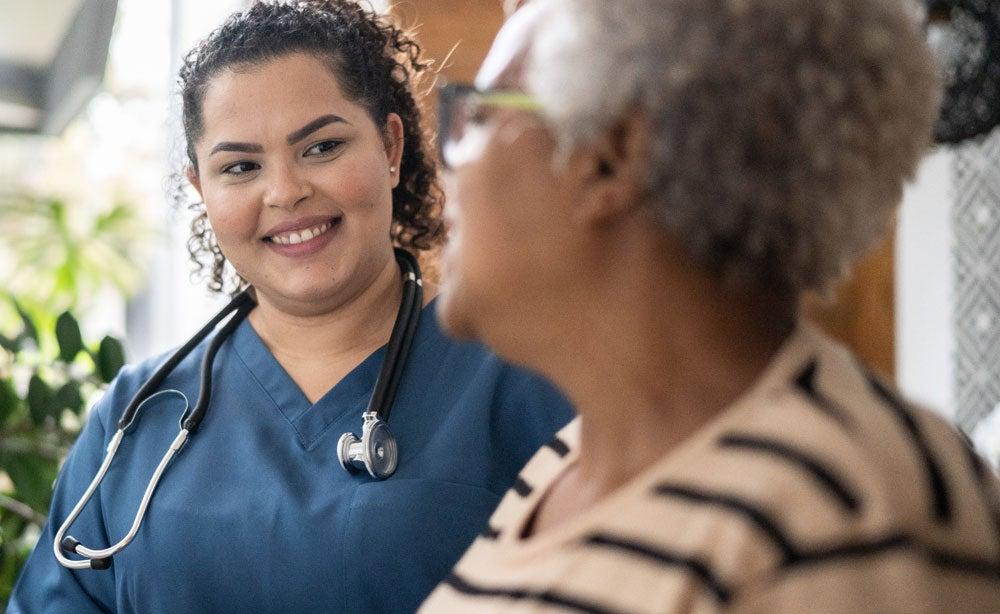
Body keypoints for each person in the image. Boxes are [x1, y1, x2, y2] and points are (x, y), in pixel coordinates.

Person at [421, 0, 1000, 611]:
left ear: (609, 156)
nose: (443, 163)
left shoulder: (833, 513)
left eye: (477, 116)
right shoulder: (566, 463)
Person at [8, 1, 575, 612]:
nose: (284, 191)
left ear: (390, 146)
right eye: (241, 166)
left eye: (323, 147)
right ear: (201, 187)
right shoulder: (138, 415)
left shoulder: (526, 383)